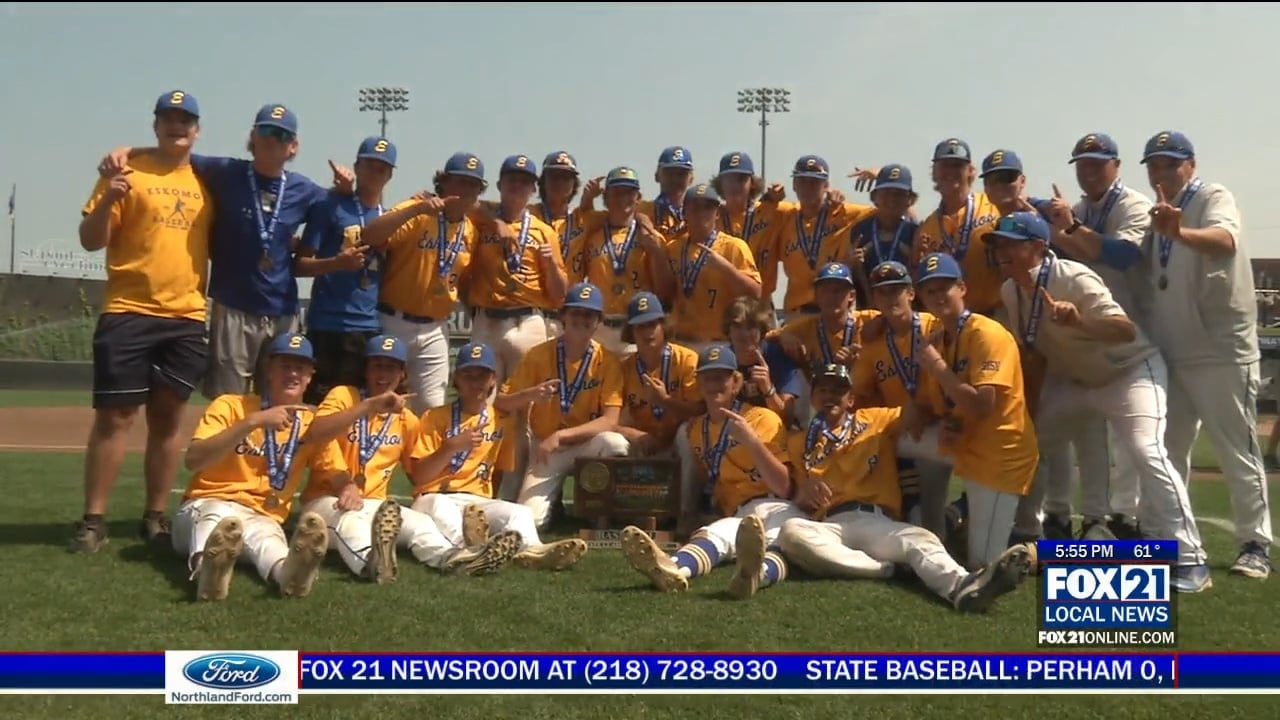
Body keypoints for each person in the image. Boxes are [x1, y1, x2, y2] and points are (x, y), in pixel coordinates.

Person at [988, 211, 1211, 592]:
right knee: (1030, 445)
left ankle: (1191, 559)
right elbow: (1034, 351)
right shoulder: (1011, 290)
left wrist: (1079, 322)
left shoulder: (1072, 277)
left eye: (1011, 243)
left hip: (1129, 371)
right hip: (1074, 380)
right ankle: (1028, 532)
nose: (1001, 251)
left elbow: (1123, 330)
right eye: (998, 244)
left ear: (1039, 247)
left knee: (1147, 450)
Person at [100, 104, 344, 398]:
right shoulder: (224, 171)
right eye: (265, 130)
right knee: (228, 401)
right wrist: (128, 151)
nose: (271, 138)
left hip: (283, 310)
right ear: (252, 137)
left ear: (293, 146)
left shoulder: (305, 190)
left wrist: (344, 189)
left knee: (281, 399)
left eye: (281, 134)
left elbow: (338, 208)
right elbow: (176, 150)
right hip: (233, 306)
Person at [72, 90, 214, 553]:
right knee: (115, 417)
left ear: (198, 129)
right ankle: (93, 520)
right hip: (128, 310)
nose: (177, 126)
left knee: (169, 418)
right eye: (169, 119)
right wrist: (108, 194)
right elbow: (91, 240)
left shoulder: (209, 179)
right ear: (155, 125)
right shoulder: (125, 170)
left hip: (186, 315)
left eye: (186, 120)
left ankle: (154, 517)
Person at [777, 363, 1034, 613]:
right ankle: (885, 569)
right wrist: (806, 490)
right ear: (812, 398)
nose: (829, 396)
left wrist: (934, 411)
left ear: (851, 400)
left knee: (920, 539)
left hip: (874, 519)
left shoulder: (874, 419)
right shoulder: (800, 442)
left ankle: (962, 587)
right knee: (791, 532)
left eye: (837, 391)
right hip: (830, 523)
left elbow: (912, 412)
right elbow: (796, 496)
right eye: (822, 390)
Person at [1138, 130, 1272, 580]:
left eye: (1170, 163)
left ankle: (1255, 544)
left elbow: (1225, 241)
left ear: (1190, 165)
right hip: (1173, 348)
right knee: (1167, 451)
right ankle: (1167, 539)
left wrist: (1180, 231)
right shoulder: (1155, 215)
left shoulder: (1213, 195)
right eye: (1154, 165)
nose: (1162, 172)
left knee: (1237, 450)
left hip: (1220, 350)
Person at [300, 335, 523, 581]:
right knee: (351, 522)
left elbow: (418, 476)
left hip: (374, 503)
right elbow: (317, 433)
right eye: (377, 365)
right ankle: (372, 563)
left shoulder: (406, 419)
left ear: (402, 374)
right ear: (366, 369)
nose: (383, 374)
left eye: (391, 367)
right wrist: (369, 407)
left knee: (420, 524)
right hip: (327, 500)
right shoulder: (344, 396)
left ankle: (455, 559)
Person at [619, 345, 802, 599]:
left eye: (721, 378)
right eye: (708, 378)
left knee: (778, 543)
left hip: (776, 506)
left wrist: (752, 442)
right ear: (699, 383)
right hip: (738, 512)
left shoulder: (763, 418)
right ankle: (673, 568)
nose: (714, 385)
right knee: (713, 535)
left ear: (736, 382)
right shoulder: (696, 431)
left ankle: (756, 576)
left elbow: (784, 487)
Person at [172, 333, 341, 601]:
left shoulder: (311, 423)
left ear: (310, 376)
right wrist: (252, 422)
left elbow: (333, 470)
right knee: (218, 518)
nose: (293, 373)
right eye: (285, 366)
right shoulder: (230, 405)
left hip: (264, 514)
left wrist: (348, 486)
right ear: (269, 370)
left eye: (300, 367)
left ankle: (288, 574)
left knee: (269, 542)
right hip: (207, 503)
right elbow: (194, 460)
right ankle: (208, 571)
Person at [410, 342, 589, 571]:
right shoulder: (434, 417)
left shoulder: (500, 419)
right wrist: (450, 447)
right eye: (468, 375)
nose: (476, 383)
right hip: (435, 496)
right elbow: (419, 476)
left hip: (476, 501)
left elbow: (497, 472)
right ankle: (469, 552)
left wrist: (533, 395)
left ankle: (534, 552)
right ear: (457, 378)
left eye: (482, 375)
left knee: (520, 512)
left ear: (493, 379)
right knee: (442, 508)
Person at [914, 253, 1039, 566]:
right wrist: (946, 423)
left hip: (999, 454)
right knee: (899, 438)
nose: (938, 296)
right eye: (930, 290)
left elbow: (982, 406)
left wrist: (937, 366)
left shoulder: (986, 333)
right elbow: (949, 403)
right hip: (968, 443)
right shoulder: (941, 338)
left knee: (983, 565)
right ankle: (932, 522)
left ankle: (1040, 554)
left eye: (946, 287)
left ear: (963, 288)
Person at [357, 152, 486, 415]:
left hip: (435, 328)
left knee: (432, 407)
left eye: (473, 185)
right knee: (383, 401)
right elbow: (369, 235)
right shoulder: (418, 212)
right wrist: (415, 208)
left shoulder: (471, 230)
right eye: (460, 182)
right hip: (394, 320)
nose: (466, 191)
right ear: (444, 183)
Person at [497, 282, 630, 527]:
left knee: (615, 443)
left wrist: (561, 435)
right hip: (546, 448)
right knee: (531, 521)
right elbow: (502, 402)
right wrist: (529, 395)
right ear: (563, 316)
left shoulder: (607, 361)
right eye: (576, 312)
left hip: (585, 444)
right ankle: (553, 507)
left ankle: (598, 512)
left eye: (589, 314)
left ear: (599, 321)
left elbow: (610, 421)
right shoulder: (538, 355)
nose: (582, 319)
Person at [295, 136, 396, 405]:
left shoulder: (390, 219)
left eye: (382, 168)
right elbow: (299, 265)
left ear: (390, 175)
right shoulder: (330, 206)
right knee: (318, 409)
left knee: (358, 413)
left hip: (368, 327)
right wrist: (337, 264)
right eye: (369, 164)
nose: (375, 172)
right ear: (357, 166)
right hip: (327, 324)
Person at [466, 154, 568, 382]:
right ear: (499, 184)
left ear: (533, 188)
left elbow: (559, 294)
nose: (517, 186)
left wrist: (551, 265)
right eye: (511, 179)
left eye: (524, 181)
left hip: (528, 320)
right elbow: (460, 200)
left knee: (528, 400)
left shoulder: (545, 231)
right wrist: (497, 223)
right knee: (482, 397)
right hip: (487, 319)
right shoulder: (483, 216)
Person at [573, 167, 675, 354]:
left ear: (638, 197)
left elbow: (665, 291)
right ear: (605, 198)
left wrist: (656, 253)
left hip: (636, 326)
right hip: (600, 327)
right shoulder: (592, 235)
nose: (622, 198)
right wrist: (587, 198)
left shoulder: (651, 236)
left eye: (629, 192)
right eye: (616, 192)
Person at [664, 183, 763, 352]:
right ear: (684, 212)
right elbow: (665, 294)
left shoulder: (734, 246)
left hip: (720, 343)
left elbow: (755, 293)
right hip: (682, 342)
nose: (701, 213)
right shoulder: (673, 248)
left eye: (707, 208)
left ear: (717, 213)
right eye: (695, 208)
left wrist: (726, 268)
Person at [845, 164, 919, 305]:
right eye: (885, 193)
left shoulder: (915, 231)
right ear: (874, 197)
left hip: (908, 312)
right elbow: (847, 276)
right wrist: (850, 264)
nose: (892, 199)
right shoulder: (860, 230)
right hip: (869, 311)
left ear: (910, 200)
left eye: (898, 194)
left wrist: (914, 261)